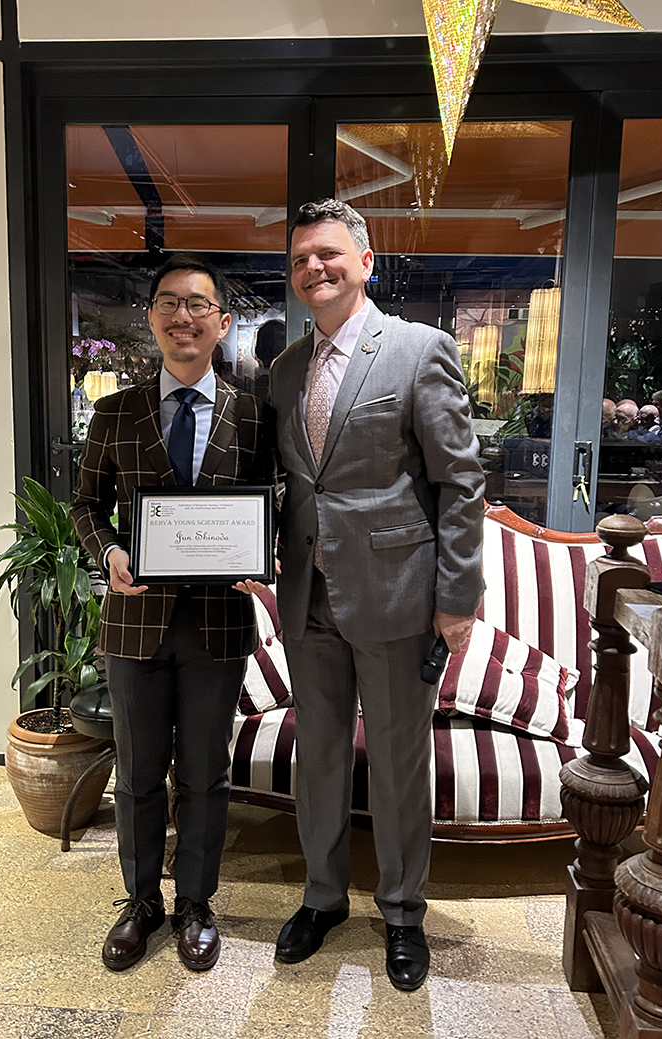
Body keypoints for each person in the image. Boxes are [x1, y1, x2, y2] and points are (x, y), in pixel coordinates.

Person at [238, 199, 485, 992]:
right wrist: (240, 546)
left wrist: (457, 597)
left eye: (330, 253)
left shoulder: (419, 351)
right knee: (318, 758)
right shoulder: (281, 370)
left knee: (398, 761)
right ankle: (321, 898)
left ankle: (404, 911)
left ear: (365, 261)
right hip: (305, 592)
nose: (315, 266)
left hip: (398, 595)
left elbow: (460, 482)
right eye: (302, 256)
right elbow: (282, 483)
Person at [70, 253, 278, 974]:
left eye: (197, 305)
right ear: (152, 318)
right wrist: (110, 553)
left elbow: (269, 510)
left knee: (204, 774)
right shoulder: (115, 412)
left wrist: (263, 560)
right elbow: (85, 505)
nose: (181, 317)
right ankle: (140, 902)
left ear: (222, 323)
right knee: (135, 774)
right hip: (134, 625)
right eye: (167, 303)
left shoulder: (254, 414)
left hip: (218, 625)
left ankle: (195, 901)